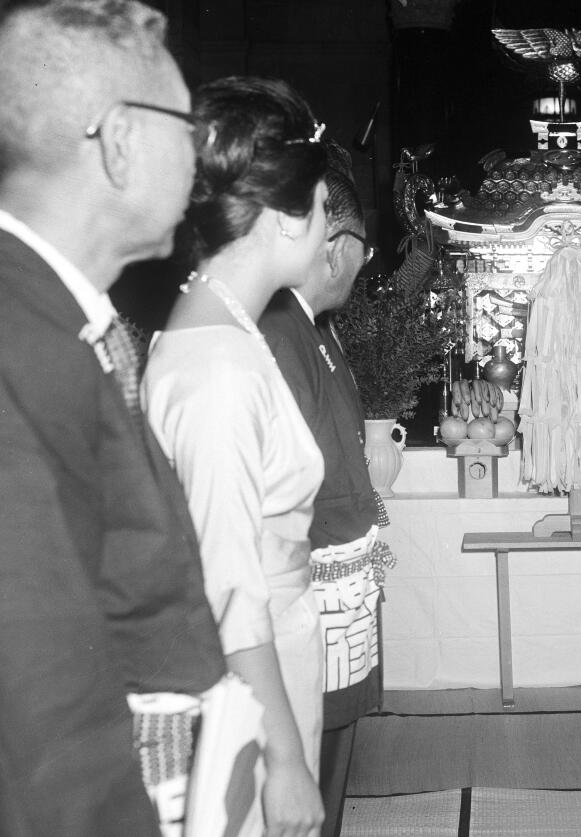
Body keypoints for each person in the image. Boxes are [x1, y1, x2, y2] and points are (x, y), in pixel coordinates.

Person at [0, 3, 227, 834]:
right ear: (123, 141)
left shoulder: (59, 313)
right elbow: (36, 686)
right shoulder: (17, 336)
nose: (203, 158)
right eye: (189, 127)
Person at [144, 76, 330, 837]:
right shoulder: (217, 366)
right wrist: (283, 760)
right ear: (287, 219)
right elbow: (230, 583)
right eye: (322, 208)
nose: (327, 229)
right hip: (254, 678)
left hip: (275, 652)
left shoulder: (231, 332)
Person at [258, 157, 392, 837]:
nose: (360, 270)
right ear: (337, 245)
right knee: (309, 763)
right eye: (362, 254)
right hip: (309, 588)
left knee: (332, 754)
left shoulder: (313, 326)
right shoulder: (279, 329)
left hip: (336, 583)